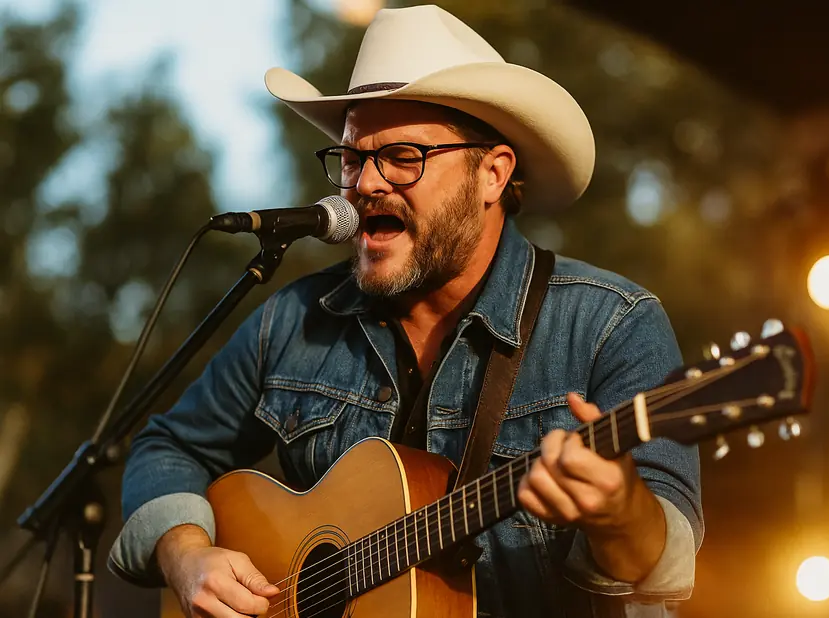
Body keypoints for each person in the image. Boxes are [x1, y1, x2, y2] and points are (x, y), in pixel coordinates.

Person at [109, 5, 703, 617]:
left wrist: (620, 513)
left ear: (493, 174)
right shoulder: (294, 320)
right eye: (352, 158)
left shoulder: (611, 327)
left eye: (402, 156)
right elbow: (167, 447)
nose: (365, 184)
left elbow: (661, 565)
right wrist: (185, 554)